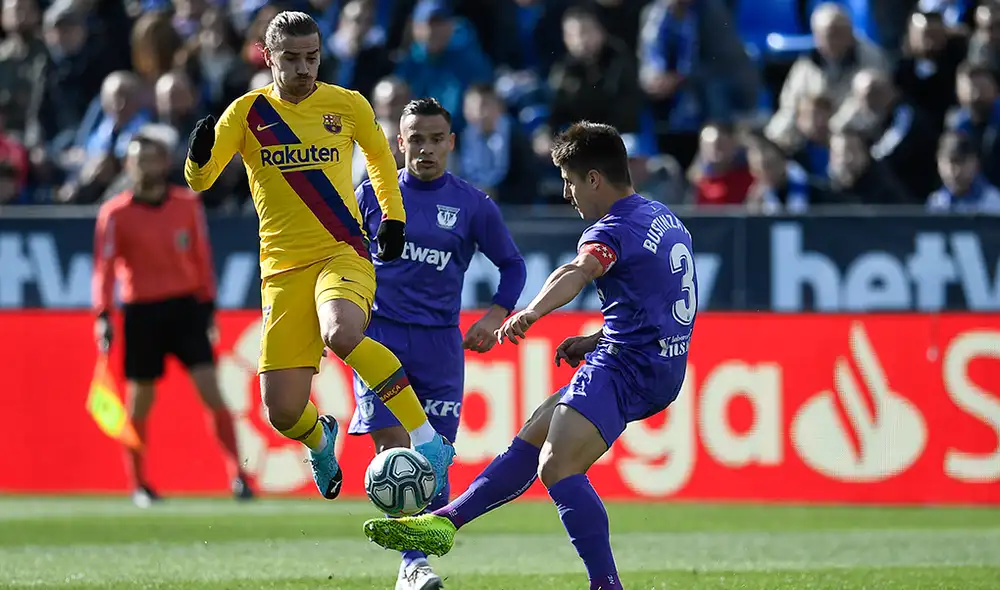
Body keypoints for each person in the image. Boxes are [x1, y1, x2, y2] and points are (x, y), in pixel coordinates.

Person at [363, 121, 699, 590]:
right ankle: (445, 522)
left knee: (557, 465)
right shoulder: (663, 217)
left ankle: (606, 585)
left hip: (629, 366)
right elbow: (658, 295)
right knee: (536, 430)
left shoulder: (611, 229)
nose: (567, 194)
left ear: (595, 179)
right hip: (659, 361)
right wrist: (599, 338)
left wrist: (532, 312)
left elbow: (579, 270)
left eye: (570, 181)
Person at [182, 11, 454, 502]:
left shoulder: (346, 104)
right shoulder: (246, 113)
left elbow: (378, 157)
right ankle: (318, 437)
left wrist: (393, 219)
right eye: (292, 59)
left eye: (312, 57)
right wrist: (196, 155)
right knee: (282, 411)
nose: (305, 68)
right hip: (282, 269)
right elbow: (200, 181)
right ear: (268, 58)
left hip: (341, 251)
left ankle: (428, 440)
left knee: (343, 332)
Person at [351, 97, 527, 590]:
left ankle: (416, 559)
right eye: (416, 139)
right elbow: (338, 258)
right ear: (399, 142)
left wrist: (495, 315)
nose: (425, 149)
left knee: (435, 454)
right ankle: (414, 564)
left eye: (435, 140)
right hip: (379, 336)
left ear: (451, 143)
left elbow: (513, 265)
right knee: (394, 450)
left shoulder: (472, 204)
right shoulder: (371, 196)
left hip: (440, 345)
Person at [92, 126, 251, 507]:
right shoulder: (116, 213)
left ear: (165, 162)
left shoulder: (186, 205)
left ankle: (238, 476)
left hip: (185, 309)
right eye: (138, 160)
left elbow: (202, 259)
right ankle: (139, 484)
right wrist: (102, 315)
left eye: (152, 159)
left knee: (212, 392)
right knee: (139, 403)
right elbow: (105, 270)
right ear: (128, 165)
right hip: (142, 312)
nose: (145, 167)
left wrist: (208, 306)